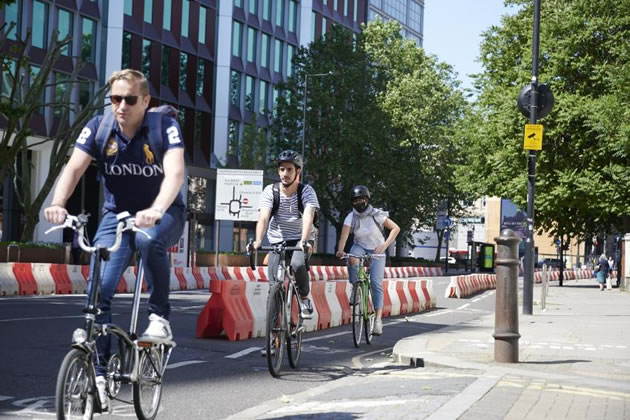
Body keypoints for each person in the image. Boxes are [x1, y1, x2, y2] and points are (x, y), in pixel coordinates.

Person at [44, 69, 185, 407]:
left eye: (129, 99)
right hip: (116, 215)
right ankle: (101, 372)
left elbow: (176, 172)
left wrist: (157, 209)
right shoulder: (100, 127)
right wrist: (58, 203)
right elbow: (74, 168)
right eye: (115, 99)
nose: (121, 106)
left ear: (145, 101)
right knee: (99, 292)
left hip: (163, 212)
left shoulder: (162, 127)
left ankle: (159, 317)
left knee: (149, 240)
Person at [251, 150, 319, 321]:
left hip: (300, 238)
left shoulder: (306, 191)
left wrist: (304, 241)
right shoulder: (270, 191)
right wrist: (258, 240)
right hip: (278, 240)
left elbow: (309, 215)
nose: (284, 174)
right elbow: (264, 217)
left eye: (289, 169)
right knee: (274, 285)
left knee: (297, 264)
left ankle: (304, 299)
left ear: (298, 171)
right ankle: (273, 337)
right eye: (281, 169)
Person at [335, 185, 400, 335]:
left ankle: (377, 320)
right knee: (352, 258)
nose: (359, 202)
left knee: (376, 283)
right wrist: (340, 250)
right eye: (356, 200)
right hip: (360, 247)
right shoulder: (350, 217)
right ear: (352, 202)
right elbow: (344, 236)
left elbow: (396, 228)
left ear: (367, 199)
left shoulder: (376, 214)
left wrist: (384, 245)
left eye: (362, 199)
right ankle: (355, 287)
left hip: (377, 250)